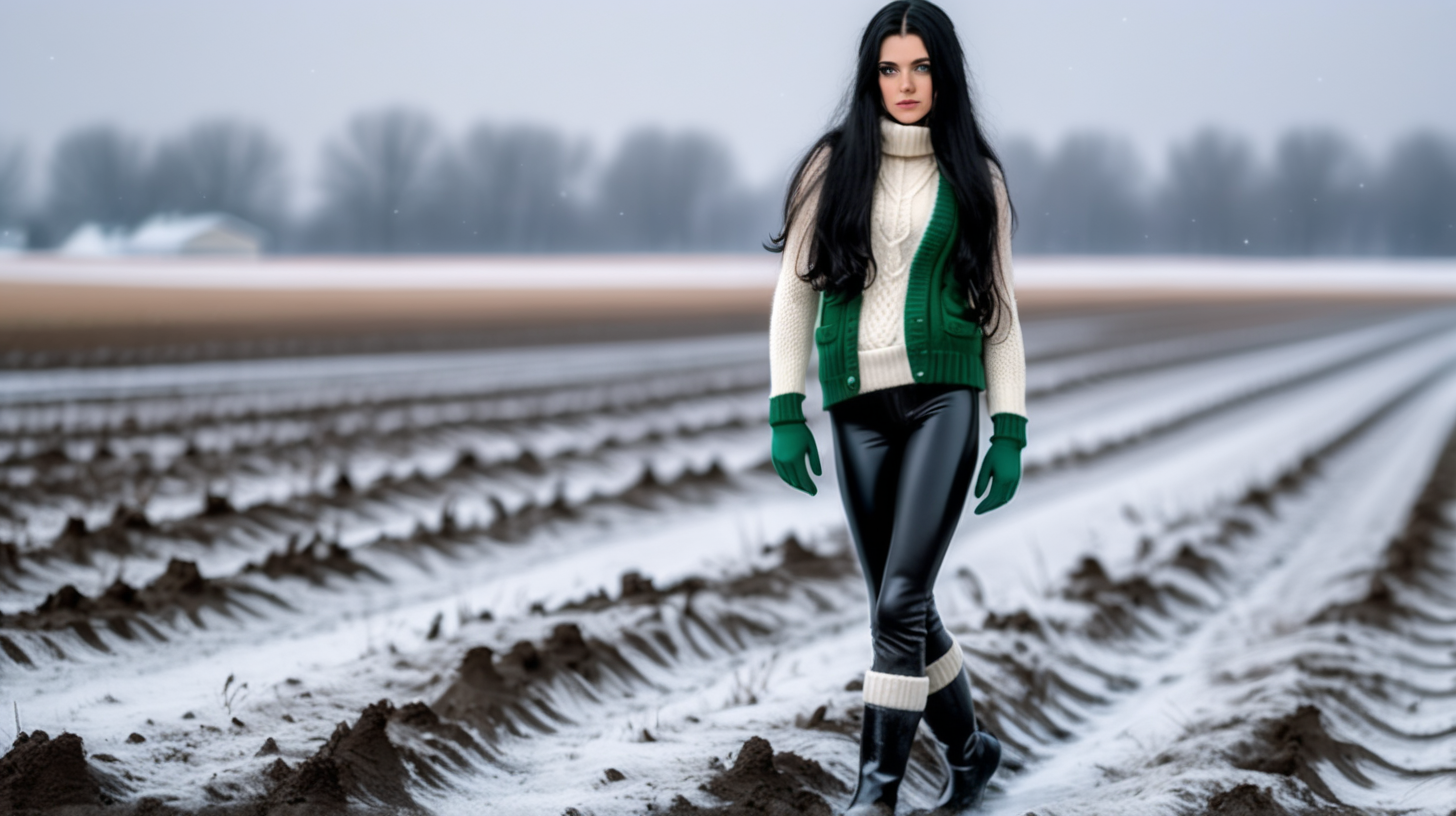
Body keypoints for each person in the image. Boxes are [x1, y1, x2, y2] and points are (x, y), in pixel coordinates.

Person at [765, 1, 1027, 813]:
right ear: (870, 75)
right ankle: (968, 750)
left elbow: (1003, 311)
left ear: (943, 72)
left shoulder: (976, 177)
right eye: (889, 67)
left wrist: (1008, 430)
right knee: (896, 601)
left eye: (920, 67)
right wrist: (785, 410)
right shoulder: (831, 165)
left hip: (943, 402)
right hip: (856, 410)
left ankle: (874, 795)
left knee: (901, 601)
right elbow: (793, 294)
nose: (905, 84)